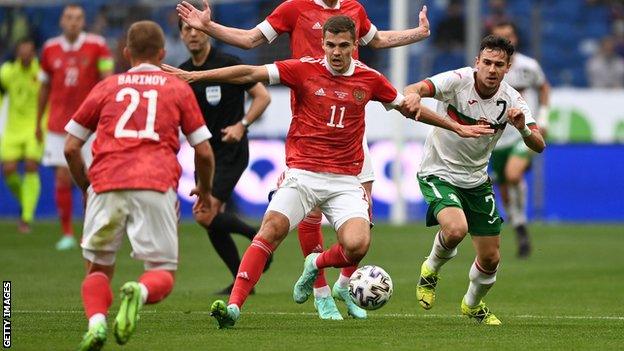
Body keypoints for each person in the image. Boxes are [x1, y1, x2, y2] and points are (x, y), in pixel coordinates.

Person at [164, 15, 493, 329]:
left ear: (353, 46)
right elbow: (250, 73)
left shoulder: (370, 79)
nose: (336, 52)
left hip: (345, 180)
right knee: (272, 229)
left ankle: (316, 264)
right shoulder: (302, 70)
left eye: (343, 46)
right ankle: (234, 306)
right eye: (331, 45)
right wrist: (196, 77)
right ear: (322, 43)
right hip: (303, 173)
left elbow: (411, 110)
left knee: (358, 245)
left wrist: (456, 127)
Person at [65, 21, 215, 351]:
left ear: (126, 53)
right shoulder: (177, 88)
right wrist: (204, 191)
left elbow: (71, 146)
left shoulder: (107, 87)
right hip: (154, 181)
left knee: (98, 266)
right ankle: (140, 292)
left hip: (107, 182)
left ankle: (97, 323)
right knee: (161, 272)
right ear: (163, 54)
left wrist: (87, 188)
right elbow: (203, 151)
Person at [404, 34, 546, 325]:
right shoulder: (456, 81)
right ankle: (430, 270)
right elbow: (413, 89)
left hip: (476, 180)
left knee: (491, 258)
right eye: (487, 63)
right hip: (438, 171)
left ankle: (472, 304)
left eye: (499, 65)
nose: (492, 70)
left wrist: (522, 129)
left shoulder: (511, 100)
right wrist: (418, 96)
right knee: (455, 229)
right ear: (476, 63)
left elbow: (539, 144)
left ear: (508, 68)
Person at [178, 19, 272, 294]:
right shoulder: (183, 73)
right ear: (181, 36)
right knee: (210, 220)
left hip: (231, 152)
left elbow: (262, 97)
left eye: (197, 29)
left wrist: (241, 125)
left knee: (204, 215)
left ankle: (258, 239)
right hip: (203, 155)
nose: (193, 34)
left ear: (207, 31)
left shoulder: (228, 63)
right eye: (187, 29)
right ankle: (243, 279)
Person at [36, 3, 114, 250]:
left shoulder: (97, 45)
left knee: (90, 179)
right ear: (61, 21)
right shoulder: (50, 49)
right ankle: (67, 233)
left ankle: (90, 229)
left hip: (89, 124)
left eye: (78, 18)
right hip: (58, 124)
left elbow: (108, 80)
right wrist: (38, 120)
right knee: (62, 176)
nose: (73, 22)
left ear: (83, 22)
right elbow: (44, 86)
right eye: (69, 18)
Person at [490, 21, 551, 258]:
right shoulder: (490, 70)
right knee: (504, 187)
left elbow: (544, 88)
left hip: (523, 133)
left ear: (515, 38)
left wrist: (542, 120)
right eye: (500, 36)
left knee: (514, 175)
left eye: (509, 35)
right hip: (497, 138)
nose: (507, 40)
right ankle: (520, 228)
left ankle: (521, 222)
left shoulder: (528, 66)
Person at [0, 38, 42, 233]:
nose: (25, 54)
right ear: (17, 53)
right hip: (13, 129)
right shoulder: (7, 72)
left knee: (31, 165)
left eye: (29, 51)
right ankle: (26, 201)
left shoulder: (41, 74)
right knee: (8, 170)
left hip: (35, 126)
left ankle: (26, 218)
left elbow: (49, 97)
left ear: (33, 53)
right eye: (22, 51)